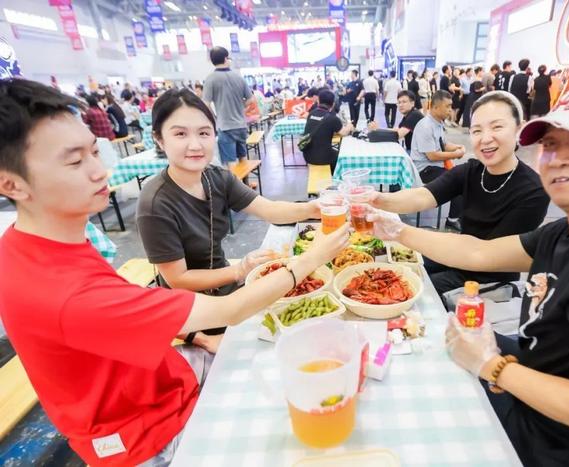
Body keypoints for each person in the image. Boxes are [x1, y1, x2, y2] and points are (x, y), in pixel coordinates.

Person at [0, 78, 351, 466]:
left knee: (293, 362)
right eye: (74, 161)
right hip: (142, 432)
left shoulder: (42, 242)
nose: (100, 172)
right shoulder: (64, 289)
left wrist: (197, 335)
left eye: (95, 153)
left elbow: (132, 319)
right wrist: (309, 260)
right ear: (10, 183)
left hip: (166, 370)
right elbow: (221, 308)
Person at [370, 79, 569, 467]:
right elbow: (480, 250)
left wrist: (491, 364)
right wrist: (396, 228)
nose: (559, 157)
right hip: (536, 377)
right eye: (551, 143)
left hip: (557, 446)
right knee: (419, 351)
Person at [136, 88, 330, 351]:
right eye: (180, 133)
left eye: (204, 133)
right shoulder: (154, 203)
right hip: (191, 315)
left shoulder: (216, 177)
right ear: (159, 139)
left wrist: (313, 208)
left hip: (226, 289)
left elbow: (270, 210)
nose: (195, 145)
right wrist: (240, 270)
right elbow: (178, 280)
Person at [370, 91, 548, 296]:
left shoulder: (534, 191)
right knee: (389, 271)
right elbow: (423, 196)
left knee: (409, 290)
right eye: (477, 130)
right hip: (455, 257)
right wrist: (378, 199)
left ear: (519, 129)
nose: (486, 139)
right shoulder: (471, 170)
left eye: (497, 127)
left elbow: (481, 254)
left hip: (488, 279)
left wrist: (398, 230)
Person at [410, 90, 466, 230]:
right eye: (447, 106)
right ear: (435, 107)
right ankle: (452, 220)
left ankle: (459, 215)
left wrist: (457, 147)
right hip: (425, 169)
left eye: (450, 106)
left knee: (466, 175)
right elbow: (432, 155)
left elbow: (444, 145)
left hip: (435, 166)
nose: (450, 110)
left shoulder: (438, 123)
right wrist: (455, 154)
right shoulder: (425, 126)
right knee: (457, 180)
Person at [202, 46, 255, 167]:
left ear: (212, 61)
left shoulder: (210, 79)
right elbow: (251, 99)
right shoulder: (238, 77)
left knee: (230, 162)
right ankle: (244, 184)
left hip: (225, 126)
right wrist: (241, 107)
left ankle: (235, 185)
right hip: (241, 125)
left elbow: (205, 104)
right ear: (226, 58)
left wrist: (215, 117)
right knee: (243, 157)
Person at [300, 90, 354, 172]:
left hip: (307, 156)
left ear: (318, 102)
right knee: (343, 157)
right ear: (333, 104)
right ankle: (335, 180)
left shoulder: (311, 114)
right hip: (322, 158)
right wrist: (349, 125)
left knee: (333, 150)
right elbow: (344, 133)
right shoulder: (332, 118)